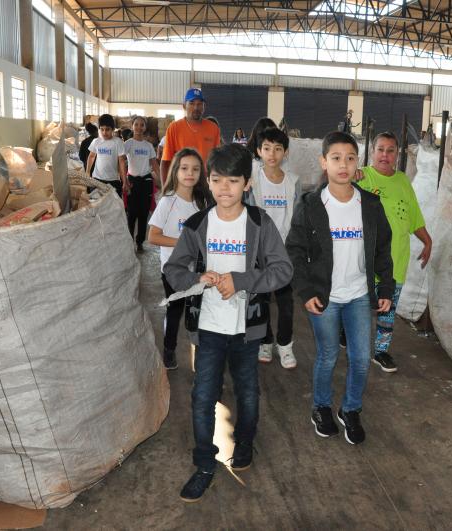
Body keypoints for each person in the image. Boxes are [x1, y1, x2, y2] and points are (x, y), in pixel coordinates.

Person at [164, 143, 293, 503]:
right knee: (202, 396)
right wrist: (195, 277)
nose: (224, 189)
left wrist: (242, 280)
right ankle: (205, 463)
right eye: (217, 180)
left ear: (247, 184)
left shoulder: (259, 223)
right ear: (209, 180)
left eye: (233, 181)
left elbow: (283, 269)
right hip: (207, 328)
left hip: (247, 330)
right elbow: (172, 269)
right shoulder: (196, 225)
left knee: (248, 393)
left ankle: (246, 444)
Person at [287, 131, 393, 445]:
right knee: (328, 354)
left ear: (357, 162)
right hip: (325, 297)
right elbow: (294, 250)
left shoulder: (370, 204)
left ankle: (351, 409)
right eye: (336, 158)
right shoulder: (311, 204)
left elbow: (382, 250)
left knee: (361, 357)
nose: (343, 165)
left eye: (349, 158)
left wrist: (385, 288)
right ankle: (321, 407)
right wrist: (306, 292)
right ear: (324, 162)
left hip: (359, 295)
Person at [356, 132, 432, 373]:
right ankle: (348, 336)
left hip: (395, 261)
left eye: (390, 151)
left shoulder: (402, 181)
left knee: (387, 312)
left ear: (397, 154)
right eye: (380, 149)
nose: (385, 155)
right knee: (357, 308)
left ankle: (380, 351)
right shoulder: (362, 177)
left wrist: (427, 241)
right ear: (372, 152)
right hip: (364, 262)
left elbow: (414, 217)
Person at [148, 148, 211, 369]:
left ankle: (200, 354)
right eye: (184, 168)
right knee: (175, 311)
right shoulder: (168, 202)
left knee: (198, 312)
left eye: (195, 169)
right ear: (176, 171)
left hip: (197, 270)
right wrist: (183, 244)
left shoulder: (203, 202)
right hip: (172, 270)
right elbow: (153, 236)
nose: (189, 173)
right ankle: (169, 349)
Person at [246, 127, 301, 368]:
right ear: (259, 151)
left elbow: (297, 216)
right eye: (267, 148)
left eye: (278, 149)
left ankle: (285, 345)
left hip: (284, 252)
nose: (272, 154)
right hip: (260, 251)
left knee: (287, 303)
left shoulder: (293, 182)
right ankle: (265, 341)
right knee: (262, 300)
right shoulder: (251, 181)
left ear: (285, 153)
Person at [160, 88, 222, 191]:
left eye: (199, 104)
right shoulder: (174, 128)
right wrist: (165, 189)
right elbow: (166, 162)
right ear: (184, 106)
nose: (196, 107)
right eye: (192, 103)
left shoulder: (213, 128)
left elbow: (217, 161)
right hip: (180, 185)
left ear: (204, 107)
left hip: (205, 186)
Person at [125, 116, 159, 253]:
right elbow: (121, 160)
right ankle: (129, 241)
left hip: (146, 181)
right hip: (132, 182)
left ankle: (140, 242)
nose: (139, 127)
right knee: (131, 213)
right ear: (132, 126)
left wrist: (163, 180)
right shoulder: (127, 144)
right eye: (136, 124)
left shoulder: (148, 146)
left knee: (144, 213)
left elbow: (154, 164)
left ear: (145, 127)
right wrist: (123, 179)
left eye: (142, 125)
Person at [86, 114, 127, 197]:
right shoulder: (96, 141)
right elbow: (91, 156)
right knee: (97, 206)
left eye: (107, 129)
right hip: (97, 180)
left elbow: (122, 162)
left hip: (113, 180)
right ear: (99, 129)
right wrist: (87, 172)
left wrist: (124, 180)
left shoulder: (118, 142)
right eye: (102, 129)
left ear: (113, 129)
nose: (104, 132)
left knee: (113, 206)